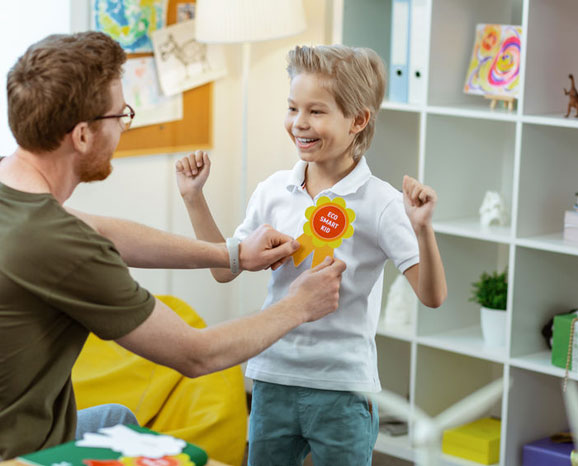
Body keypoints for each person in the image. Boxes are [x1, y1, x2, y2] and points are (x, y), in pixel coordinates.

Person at [0, 32, 347, 460]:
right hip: (5, 458)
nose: (123, 127)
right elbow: (197, 354)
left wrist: (230, 253)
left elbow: (101, 233)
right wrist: (299, 306)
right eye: (120, 116)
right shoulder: (58, 246)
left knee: (117, 418)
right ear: (82, 135)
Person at [175, 44, 448, 465]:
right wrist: (194, 199)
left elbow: (432, 296)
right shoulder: (272, 190)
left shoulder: (382, 203)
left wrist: (422, 228)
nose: (299, 123)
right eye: (292, 108)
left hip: (343, 389)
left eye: (316, 111)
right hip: (273, 378)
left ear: (358, 120)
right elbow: (223, 271)